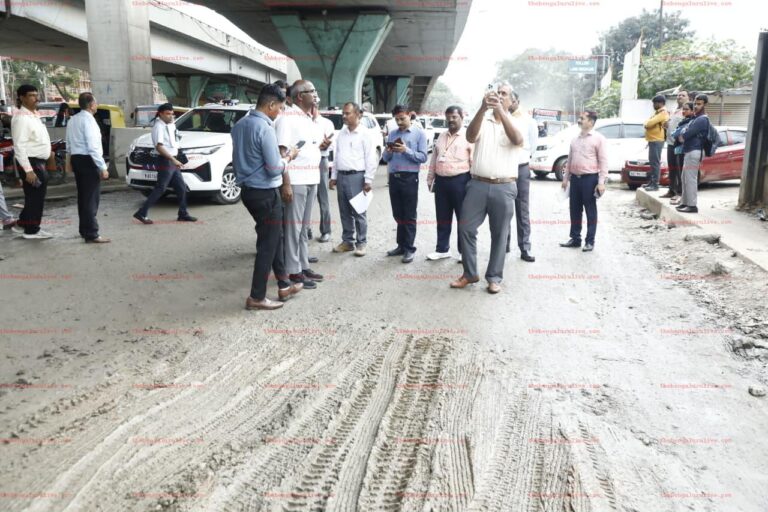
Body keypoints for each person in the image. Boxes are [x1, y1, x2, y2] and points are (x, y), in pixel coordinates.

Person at [232, 84, 302, 311]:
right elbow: (274, 168)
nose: (279, 112)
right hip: (265, 193)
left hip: (248, 192)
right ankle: (257, 297)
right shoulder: (265, 128)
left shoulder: (240, 124)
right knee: (267, 245)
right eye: (280, 108)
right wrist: (289, 156)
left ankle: (283, 284)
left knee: (274, 238)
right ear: (271, 104)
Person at [450, 83, 523, 294]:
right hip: (478, 184)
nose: (499, 96)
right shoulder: (483, 119)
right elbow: (470, 137)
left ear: (511, 101)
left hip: (504, 186)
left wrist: (501, 111)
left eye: (504, 94)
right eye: (497, 93)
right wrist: (483, 109)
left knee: (500, 234)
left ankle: (494, 277)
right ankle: (470, 273)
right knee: (465, 227)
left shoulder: (518, 121)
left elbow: (517, 139)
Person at [275, 80, 329, 289]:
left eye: (315, 90)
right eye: (311, 91)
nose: (315, 94)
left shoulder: (308, 119)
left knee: (303, 228)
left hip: (311, 179)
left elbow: (308, 146)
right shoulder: (286, 118)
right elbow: (282, 153)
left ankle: (303, 265)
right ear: (299, 96)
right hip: (296, 181)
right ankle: (292, 270)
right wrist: (286, 184)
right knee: (293, 228)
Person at [133, 103, 197, 224]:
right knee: (160, 188)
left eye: (172, 114)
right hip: (166, 161)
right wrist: (173, 160)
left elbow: (175, 141)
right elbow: (159, 147)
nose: (170, 116)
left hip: (173, 160)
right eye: (168, 114)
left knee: (181, 188)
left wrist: (177, 157)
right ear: (160, 114)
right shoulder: (158, 127)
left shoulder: (170, 125)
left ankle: (183, 214)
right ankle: (141, 213)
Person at [329, 102, 378, 257]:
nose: (344, 116)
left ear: (359, 115)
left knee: (359, 211)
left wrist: (368, 180)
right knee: (344, 211)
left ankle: (361, 243)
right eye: (343, 113)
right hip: (342, 176)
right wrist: (334, 176)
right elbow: (337, 156)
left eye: (348, 113)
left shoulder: (365, 134)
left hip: (357, 176)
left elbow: (370, 158)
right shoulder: (342, 133)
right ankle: (347, 242)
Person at [426, 105, 473, 262]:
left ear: (461, 117)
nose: (450, 120)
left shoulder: (469, 136)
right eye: (448, 117)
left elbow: (473, 161)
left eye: (454, 117)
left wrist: (473, 185)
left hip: (461, 181)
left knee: (463, 217)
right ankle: (442, 249)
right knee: (442, 217)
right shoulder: (441, 136)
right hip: (441, 182)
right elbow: (434, 157)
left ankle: (463, 252)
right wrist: (430, 177)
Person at [382, 104, 428, 263]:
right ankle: (401, 245)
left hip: (410, 178)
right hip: (394, 177)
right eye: (397, 119)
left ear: (410, 115)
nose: (400, 122)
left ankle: (409, 248)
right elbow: (386, 159)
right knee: (398, 213)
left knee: (409, 214)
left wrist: (406, 150)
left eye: (402, 118)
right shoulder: (393, 134)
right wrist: (387, 151)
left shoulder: (419, 134)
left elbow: (423, 157)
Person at [559, 111, 608, 252]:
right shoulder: (575, 139)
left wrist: (601, 182)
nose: (579, 120)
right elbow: (569, 160)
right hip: (575, 179)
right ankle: (575, 238)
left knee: (590, 211)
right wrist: (566, 178)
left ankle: (590, 241)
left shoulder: (599, 139)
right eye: (580, 118)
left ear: (591, 122)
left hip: (590, 179)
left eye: (582, 118)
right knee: (574, 209)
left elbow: (604, 162)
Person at [11, 84, 54, 239]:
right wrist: (28, 170)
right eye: (31, 95)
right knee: (36, 198)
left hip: (38, 161)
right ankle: (32, 231)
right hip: (32, 163)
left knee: (33, 197)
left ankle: (24, 223)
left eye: (36, 95)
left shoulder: (32, 114)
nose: (36, 98)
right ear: (22, 98)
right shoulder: (21, 118)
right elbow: (19, 146)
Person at [66, 92, 110, 243]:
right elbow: (93, 147)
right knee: (91, 198)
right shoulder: (89, 121)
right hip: (88, 160)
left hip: (77, 159)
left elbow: (68, 143)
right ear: (91, 105)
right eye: (96, 103)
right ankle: (92, 233)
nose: (96, 105)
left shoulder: (73, 119)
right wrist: (103, 167)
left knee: (83, 197)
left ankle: (84, 230)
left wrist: (69, 162)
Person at [505, 91, 538, 262]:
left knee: (522, 209)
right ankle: (505, 244)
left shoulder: (528, 120)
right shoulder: (501, 117)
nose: (506, 102)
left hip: (521, 168)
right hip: (504, 169)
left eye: (508, 99)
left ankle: (525, 247)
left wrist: (521, 159)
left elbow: (533, 146)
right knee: (504, 209)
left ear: (516, 101)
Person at [677, 94, 710, 214]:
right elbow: (684, 133)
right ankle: (685, 203)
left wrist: (683, 134)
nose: (696, 106)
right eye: (695, 103)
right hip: (689, 150)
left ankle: (692, 205)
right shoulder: (696, 118)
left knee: (690, 179)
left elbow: (686, 134)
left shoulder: (702, 119)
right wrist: (683, 133)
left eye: (699, 104)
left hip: (695, 151)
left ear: (705, 105)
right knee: (684, 177)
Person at [661, 90, 689, 200]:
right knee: (671, 168)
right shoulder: (674, 110)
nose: (680, 97)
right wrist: (667, 125)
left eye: (683, 95)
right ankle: (671, 190)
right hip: (670, 142)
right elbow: (671, 124)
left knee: (679, 168)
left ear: (688, 98)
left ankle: (680, 192)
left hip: (679, 144)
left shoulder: (686, 110)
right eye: (679, 95)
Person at [313, 105, 334, 243]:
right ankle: (306, 230)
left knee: (323, 197)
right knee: (304, 198)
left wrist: (326, 145)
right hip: (304, 162)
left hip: (321, 160)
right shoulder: (302, 122)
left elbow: (331, 144)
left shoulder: (326, 123)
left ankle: (326, 230)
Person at [669, 102, 694, 206]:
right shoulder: (685, 120)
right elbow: (675, 134)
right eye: (683, 109)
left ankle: (683, 197)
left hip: (687, 150)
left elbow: (681, 134)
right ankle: (680, 195)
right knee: (681, 174)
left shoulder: (692, 121)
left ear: (692, 110)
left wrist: (678, 134)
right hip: (680, 149)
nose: (684, 111)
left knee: (685, 177)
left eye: (686, 109)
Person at [642, 95, 669, 192]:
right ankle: (652, 182)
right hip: (653, 140)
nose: (653, 105)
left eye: (655, 103)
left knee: (655, 163)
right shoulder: (657, 113)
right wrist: (646, 123)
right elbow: (647, 122)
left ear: (660, 103)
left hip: (657, 140)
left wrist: (646, 124)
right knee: (653, 162)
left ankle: (655, 184)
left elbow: (648, 123)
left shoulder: (663, 113)